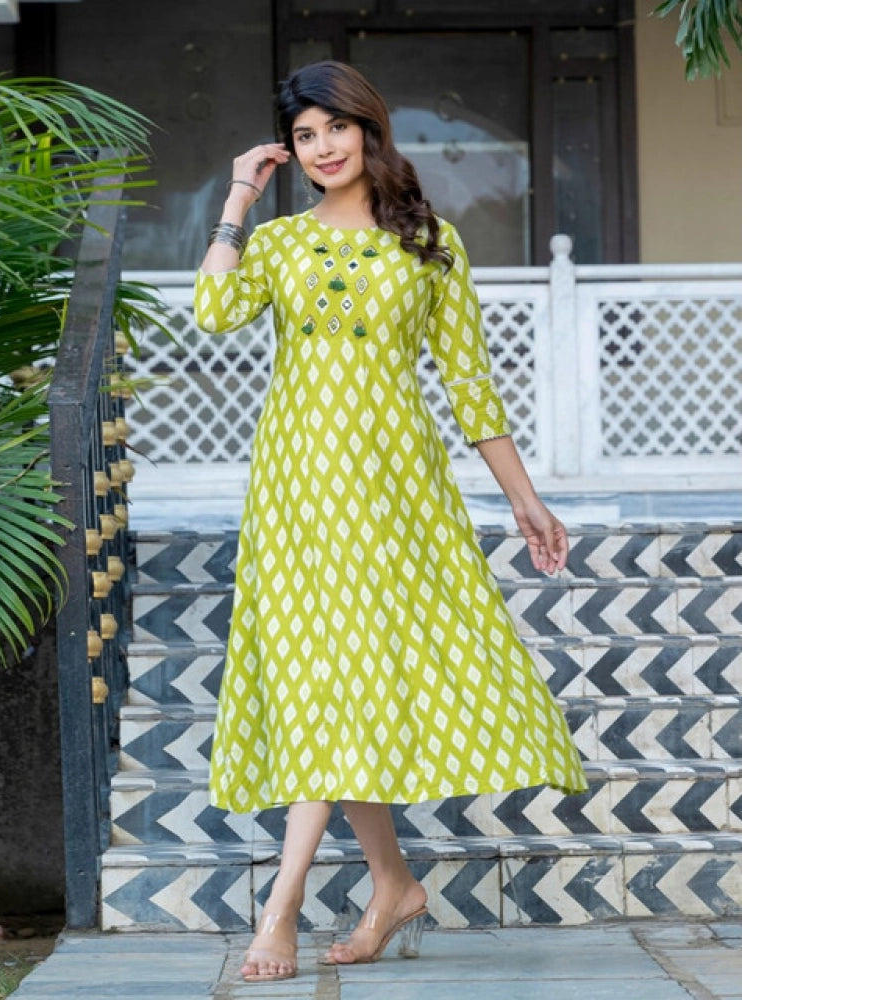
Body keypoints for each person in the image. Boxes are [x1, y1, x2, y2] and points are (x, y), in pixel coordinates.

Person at [194, 60, 588, 984]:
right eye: (304, 136)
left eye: (336, 127)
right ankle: (394, 885)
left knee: (346, 684)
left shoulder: (430, 244)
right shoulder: (281, 244)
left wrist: (524, 499)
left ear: (369, 130)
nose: (322, 147)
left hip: (392, 496)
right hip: (295, 498)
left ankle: (281, 909)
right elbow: (213, 311)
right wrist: (238, 199)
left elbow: (470, 385)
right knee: (330, 686)